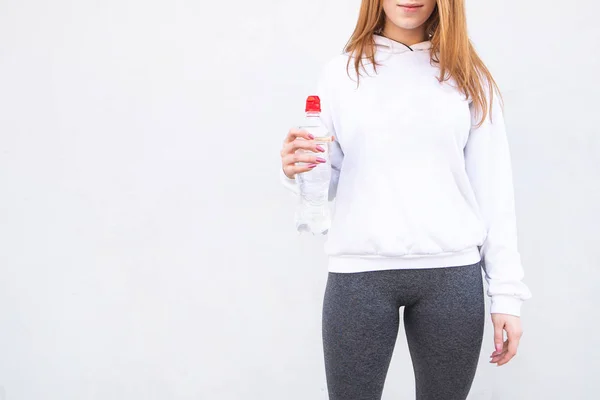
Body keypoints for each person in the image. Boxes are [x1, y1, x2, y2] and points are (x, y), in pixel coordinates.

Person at [279, 0, 533, 399]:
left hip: (451, 276)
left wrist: (506, 295)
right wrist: (298, 169)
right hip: (359, 275)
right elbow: (327, 179)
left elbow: (494, 191)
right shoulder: (340, 75)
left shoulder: (468, 78)